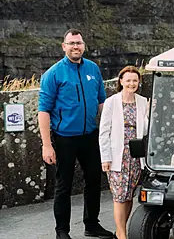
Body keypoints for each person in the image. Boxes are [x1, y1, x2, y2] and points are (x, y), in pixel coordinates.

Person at [38, 29, 114, 239]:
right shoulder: (53, 74)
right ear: (64, 46)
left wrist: (114, 129)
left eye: (78, 43)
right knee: (64, 185)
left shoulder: (93, 68)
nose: (75, 47)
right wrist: (47, 145)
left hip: (90, 135)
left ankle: (91, 224)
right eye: (71, 43)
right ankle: (61, 231)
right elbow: (43, 111)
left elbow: (102, 103)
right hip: (64, 138)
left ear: (83, 45)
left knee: (94, 180)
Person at [98, 66, 149, 239]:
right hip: (117, 156)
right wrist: (105, 158)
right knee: (119, 195)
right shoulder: (112, 101)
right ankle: (121, 234)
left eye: (135, 80)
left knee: (128, 196)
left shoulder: (143, 101)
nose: (131, 83)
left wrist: (151, 112)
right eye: (128, 80)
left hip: (135, 155)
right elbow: (104, 131)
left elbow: (146, 128)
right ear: (121, 81)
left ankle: (121, 229)